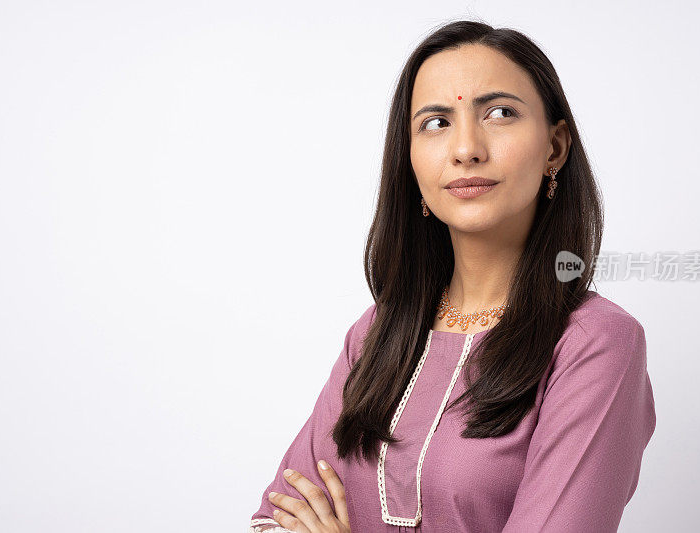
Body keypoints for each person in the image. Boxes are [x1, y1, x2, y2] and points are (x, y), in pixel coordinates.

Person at [248, 19, 656, 533]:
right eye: (436, 122)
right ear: (412, 159)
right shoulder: (376, 334)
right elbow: (277, 516)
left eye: (500, 113)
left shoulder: (594, 344)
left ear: (555, 147)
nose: (466, 148)